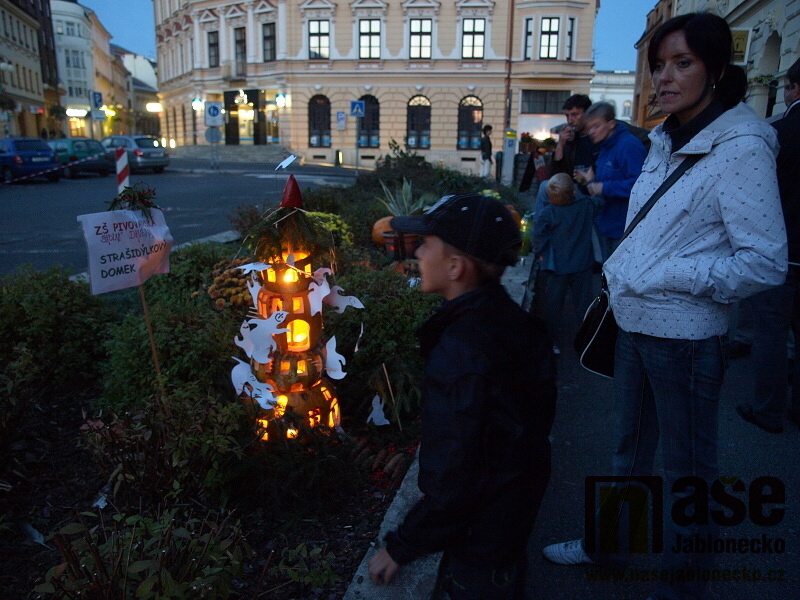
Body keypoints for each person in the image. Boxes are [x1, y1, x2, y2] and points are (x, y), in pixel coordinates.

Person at [542, 13, 787, 600]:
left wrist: (665, 273)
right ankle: (608, 546)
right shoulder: (663, 137)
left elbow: (765, 262)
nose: (665, 78)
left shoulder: (742, 147)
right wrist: (636, 273)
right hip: (634, 325)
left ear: (715, 69)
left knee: (688, 471)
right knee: (627, 451)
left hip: (688, 340)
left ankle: (680, 588)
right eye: (658, 65)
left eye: (683, 63)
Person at [368, 193, 557, 599]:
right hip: (511, 515)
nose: (417, 253)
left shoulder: (462, 356)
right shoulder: (513, 324)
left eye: (426, 244)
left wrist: (402, 545)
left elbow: (454, 473)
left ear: (455, 267)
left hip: (480, 542)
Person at [736, 56, 800, 434]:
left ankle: (768, 410)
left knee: (771, 334)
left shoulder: (778, 134)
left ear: (793, 89)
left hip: (784, 249)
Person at [576, 101, 647, 262]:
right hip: (606, 224)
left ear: (611, 124)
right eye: (589, 128)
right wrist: (590, 181)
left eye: (596, 126)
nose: (591, 132)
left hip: (623, 230)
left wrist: (603, 187)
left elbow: (641, 186)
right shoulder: (606, 145)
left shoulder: (628, 146)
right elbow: (605, 181)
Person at [533, 173, 595, 354]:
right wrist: (588, 182)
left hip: (557, 268)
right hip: (582, 265)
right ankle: (587, 343)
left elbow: (538, 236)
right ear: (573, 191)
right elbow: (599, 202)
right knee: (584, 306)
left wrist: (540, 253)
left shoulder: (548, 212)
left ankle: (551, 343)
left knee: (553, 307)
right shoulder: (586, 206)